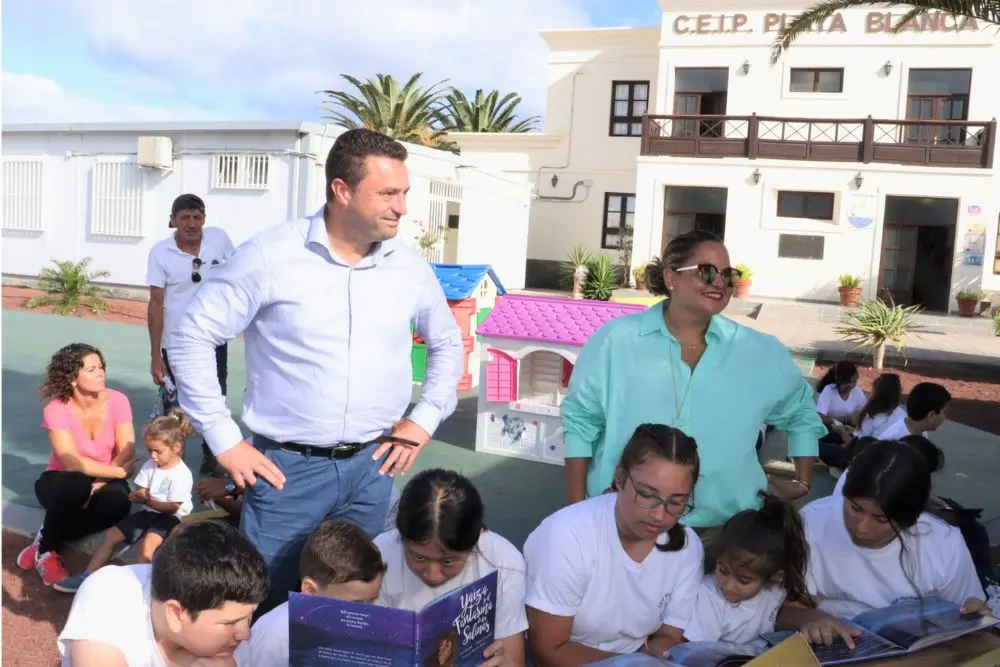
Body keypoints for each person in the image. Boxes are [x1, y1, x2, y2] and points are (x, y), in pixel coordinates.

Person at [167, 128, 464, 614]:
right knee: (260, 608)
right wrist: (224, 438)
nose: (402, 207)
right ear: (342, 191)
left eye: (404, 193)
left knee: (351, 609)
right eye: (388, 193)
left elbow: (447, 342)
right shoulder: (269, 256)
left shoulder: (408, 265)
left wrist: (425, 417)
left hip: (374, 468)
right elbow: (190, 335)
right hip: (287, 472)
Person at [561, 230, 826, 532]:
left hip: (725, 536)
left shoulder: (758, 351)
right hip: (624, 526)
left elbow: (801, 410)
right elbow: (580, 423)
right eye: (707, 272)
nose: (720, 283)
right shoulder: (616, 341)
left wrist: (802, 480)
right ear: (671, 278)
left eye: (728, 275)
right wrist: (575, 512)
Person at [775, 440, 987, 648]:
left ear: (910, 520)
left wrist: (975, 615)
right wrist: (807, 618)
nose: (862, 528)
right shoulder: (812, 522)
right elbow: (778, 611)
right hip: (834, 648)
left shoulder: (945, 543)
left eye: (882, 519)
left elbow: (967, 614)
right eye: (855, 508)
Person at [523, 424, 704, 665]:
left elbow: (668, 634)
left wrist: (660, 653)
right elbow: (548, 652)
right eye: (647, 495)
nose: (660, 515)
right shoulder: (565, 538)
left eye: (677, 502)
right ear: (620, 478)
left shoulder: (687, 546)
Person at [58, 520, 269, 666]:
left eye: (250, 615)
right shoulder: (108, 598)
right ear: (175, 614)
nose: (245, 634)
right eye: (229, 623)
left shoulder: (223, 625)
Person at [376, 469, 527, 667]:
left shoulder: (503, 562)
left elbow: (513, 656)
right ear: (402, 537)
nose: (433, 575)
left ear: (476, 538)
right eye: (418, 557)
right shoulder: (381, 556)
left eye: (448, 561)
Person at [18, 343, 137, 586]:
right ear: (72, 378)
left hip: (106, 480)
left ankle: (45, 536)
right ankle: (48, 552)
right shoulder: (56, 408)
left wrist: (100, 484)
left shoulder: (118, 400)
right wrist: (116, 472)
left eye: (101, 367)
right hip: (61, 481)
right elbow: (70, 460)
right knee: (76, 482)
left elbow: (128, 449)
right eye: (91, 369)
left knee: (120, 504)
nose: (100, 373)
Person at [55, 410, 196, 593]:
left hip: (170, 516)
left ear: (176, 448)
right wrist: (137, 495)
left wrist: (146, 499)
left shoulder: (181, 474)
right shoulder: (151, 465)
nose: (152, 456)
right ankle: (86, 576)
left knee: (149, 545)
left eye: (158, 451)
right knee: (112, 535)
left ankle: (141, 590)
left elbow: (172, 507)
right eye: (149, 450)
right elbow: (143, 490)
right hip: (149, 511)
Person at [147, 193, 236, 476]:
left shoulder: (219, 239)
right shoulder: (160, 252)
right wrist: (155, 356)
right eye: (184, 217)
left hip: (213, 340)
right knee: (175, 405)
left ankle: (213, 458)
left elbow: (238, 275)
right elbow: (155, 304)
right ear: (172, 220)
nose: (191, 223)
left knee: (215, 398)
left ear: (204, 220)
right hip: (175, 344)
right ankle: (171, 462)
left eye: (197, 217)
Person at [250, 519, 386, 667]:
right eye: (356, 605)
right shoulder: (275, 637)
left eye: (372, 601)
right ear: (310, 591)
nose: (366, 614)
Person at [683, 492, 812, 644]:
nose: (729, 586)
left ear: (775, 577)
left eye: (743, 580)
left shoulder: (776, 590)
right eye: (723, 571)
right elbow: (696, 653)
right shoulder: (710, 598)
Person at [877, 381, 950, 440]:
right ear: (931, 415)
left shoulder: (920, 430)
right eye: (944, 412)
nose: (945, 417)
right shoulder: (895, 441)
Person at [854, 373, 904, 439]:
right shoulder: (902, 413)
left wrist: (841, 431)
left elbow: (857, 444)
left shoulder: (871, 417)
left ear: (876, 394)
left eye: (872, 389)